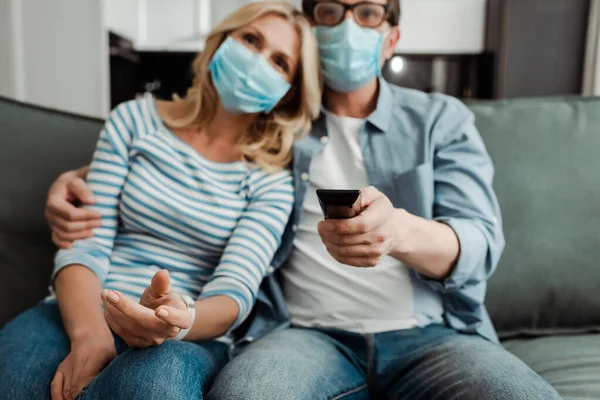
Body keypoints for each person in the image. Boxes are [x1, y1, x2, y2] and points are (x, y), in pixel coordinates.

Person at [40, 0, 563, 399]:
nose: (347, 27)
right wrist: (77, 176)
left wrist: (400, 231)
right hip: (305, 336)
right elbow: (193, 153)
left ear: (391, 38)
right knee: (249, 393)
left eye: (367, 13)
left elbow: (480, 242)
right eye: (330, 11)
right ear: (311, 30)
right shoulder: (277, 128)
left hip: (431, 335)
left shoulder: (440, 119)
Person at [0, 2, 321, 399]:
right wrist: (91, 338)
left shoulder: (271, 180)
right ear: (221, 43)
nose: (256, 61)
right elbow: (85, 245)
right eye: (250, 40)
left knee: (156, 387)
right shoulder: (132, 121)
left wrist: (175, 320)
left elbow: (234, 292)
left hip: (186, 335)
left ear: (287, 95)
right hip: (82, 307)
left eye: (279, 62)